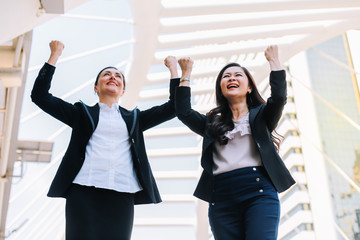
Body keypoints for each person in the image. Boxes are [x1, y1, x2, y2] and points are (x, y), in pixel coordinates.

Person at [31, 40, 180, 240]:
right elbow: (40, 96)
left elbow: (174, 107)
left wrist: (175, 71)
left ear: (123, 90)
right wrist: (54, 55)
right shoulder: (81, 113)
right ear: (96, 88)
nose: (113, 77)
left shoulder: (136, 119)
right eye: (107, 74)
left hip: (122, 192)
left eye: (118, 76)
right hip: (83, 191)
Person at [174, 45, 296, 240]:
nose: (231, 78)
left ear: (249, 87)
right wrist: (185, 73)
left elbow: (279, 98)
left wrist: (274, 62)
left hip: (259, 192)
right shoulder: (211, 124)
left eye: (238, 75)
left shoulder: (262, 116)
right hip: (221, 198)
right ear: (221, 89)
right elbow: (184, 112)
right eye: (226, 76)